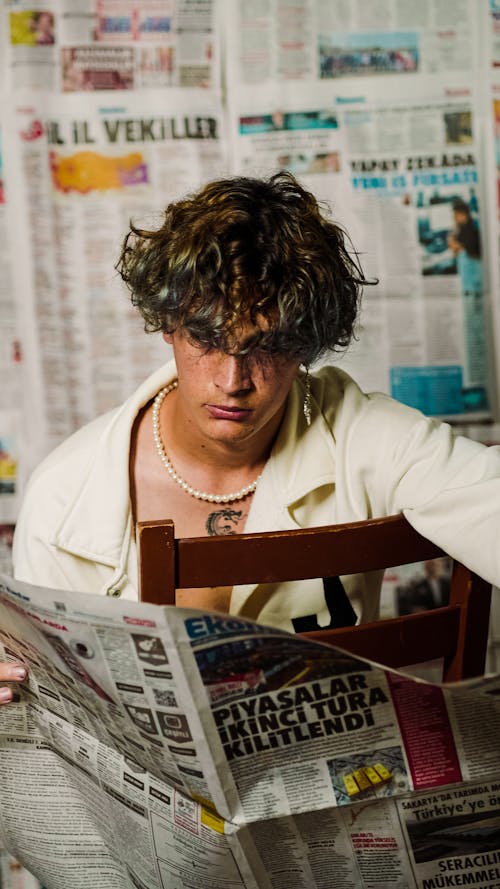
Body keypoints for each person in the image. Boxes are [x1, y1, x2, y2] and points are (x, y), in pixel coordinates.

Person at [8, 172, 500, 704]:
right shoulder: (66, 492)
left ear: (305, 345)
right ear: (168, 324)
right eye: (207, 338)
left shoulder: (359, 432)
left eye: (265, 347)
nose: (232, 381)